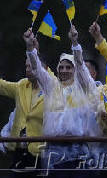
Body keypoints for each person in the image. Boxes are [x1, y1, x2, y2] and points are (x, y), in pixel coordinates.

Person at [24, 26, 97, 176]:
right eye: (61, 67)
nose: (64, 70)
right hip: (54, 149)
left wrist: (75, 43)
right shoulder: (51, 86)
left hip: (78, 149)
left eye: (68, 67)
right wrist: (30, 47)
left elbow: (81, 65)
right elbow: (37, 68)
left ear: (74, 70)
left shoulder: (82, 85)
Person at [0, 44, 46, 174]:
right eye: (26, 66)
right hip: (18, 149)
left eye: (31, 66)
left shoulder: (52, 88)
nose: (28, 69)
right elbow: (2, 86)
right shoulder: (21, 85)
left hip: (39, 151)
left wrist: (33, 50)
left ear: (44, 68)